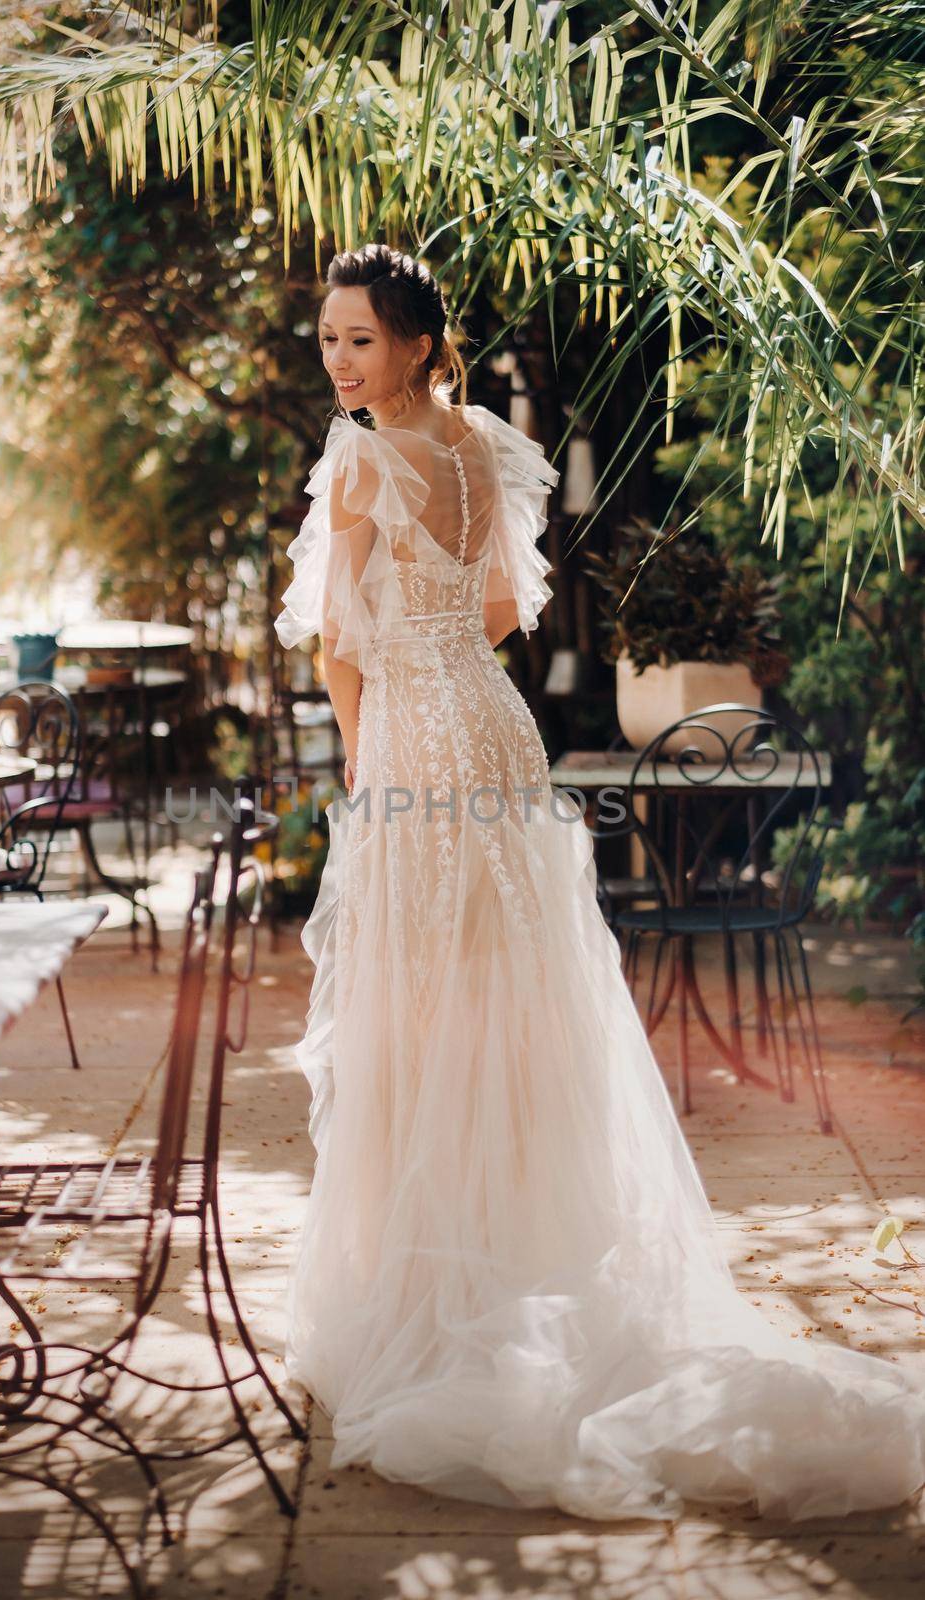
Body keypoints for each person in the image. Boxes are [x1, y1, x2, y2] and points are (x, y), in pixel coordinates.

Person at [272, 242, 925, 1521]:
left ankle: (435, 1294)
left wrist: (367, 758)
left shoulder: (357, 458)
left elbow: (341, 643)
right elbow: (507, 607)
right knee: (513, 1004)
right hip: (494, 731)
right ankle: (532, 1260)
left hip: (415, 740)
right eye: (329, 340)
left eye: (357, 339)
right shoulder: (485, 448)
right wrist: (440, 649)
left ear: (412, 341)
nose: (339, 360)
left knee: (424, 1008)